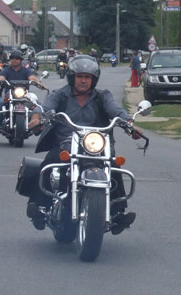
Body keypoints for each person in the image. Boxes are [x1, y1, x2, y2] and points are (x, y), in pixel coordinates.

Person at [25, 55, 145, 232]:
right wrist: (36, 118)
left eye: (87, 77)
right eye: (80, 76)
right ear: (72, 77)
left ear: (93, 79)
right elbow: (44, 107)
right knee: (50, 163)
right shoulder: (60, 95)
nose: (83, 81)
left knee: (113, 165)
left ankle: (117, 213)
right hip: (66, 143)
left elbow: (116, 110)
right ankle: (39, 208)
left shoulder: (102, 96)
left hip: (96, 146)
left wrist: (129, 125)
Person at [0, 50, 45, 133]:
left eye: (17, 58)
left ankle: (38, 125)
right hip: (9, 96)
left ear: (20, 60)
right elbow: (1, 77)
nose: (14, 60)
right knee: (0, 102)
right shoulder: (6, 70)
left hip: (25, 96)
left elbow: (32, 78)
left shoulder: (26, 71)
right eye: (12, 58)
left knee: (37, 104)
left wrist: (39, 83)